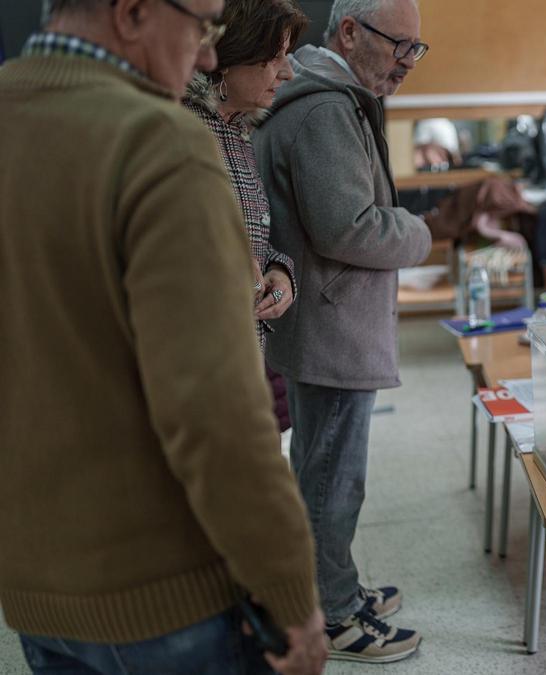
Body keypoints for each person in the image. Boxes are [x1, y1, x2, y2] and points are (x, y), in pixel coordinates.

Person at [0, 1, 325, 674]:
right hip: (165, 600)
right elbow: (218, 415)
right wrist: (291, 589)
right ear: (133, 11)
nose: (209, 56)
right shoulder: (163, 142)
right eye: (204, 25)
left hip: (32, 590)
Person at [252, 0, 432, 663]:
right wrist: (418, 229)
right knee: (332, 479)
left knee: (325, 471)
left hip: (327, 322)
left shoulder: (327, 93)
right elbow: (347, 226)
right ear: (349, 32)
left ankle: (338, 586)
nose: (407, 63)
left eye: (418, 49)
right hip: (332, 329)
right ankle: (329, 613)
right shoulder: (325, 106)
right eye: (399, 46)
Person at [182, 0, 306, 431]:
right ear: (228, 59)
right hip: (198, 372)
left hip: (240, 360)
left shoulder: (236, 131)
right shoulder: (178, 131)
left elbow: (250, 241)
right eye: (275, 59)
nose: (287, 73)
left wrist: (278, 271)